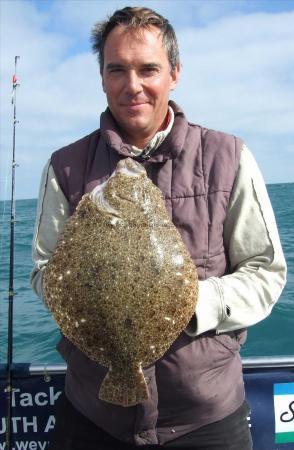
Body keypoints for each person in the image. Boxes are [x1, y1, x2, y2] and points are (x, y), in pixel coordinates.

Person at [31, 6, 287, 450]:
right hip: (94, 416)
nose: (133, 85)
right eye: (117, 70)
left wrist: (191, 302)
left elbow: (266, 271)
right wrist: (95, 298)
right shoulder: (65, 167)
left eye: (148, 69)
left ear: (174, 73)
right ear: (102, 77)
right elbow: (43, 270)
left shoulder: (229, 157)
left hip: (204, 419)